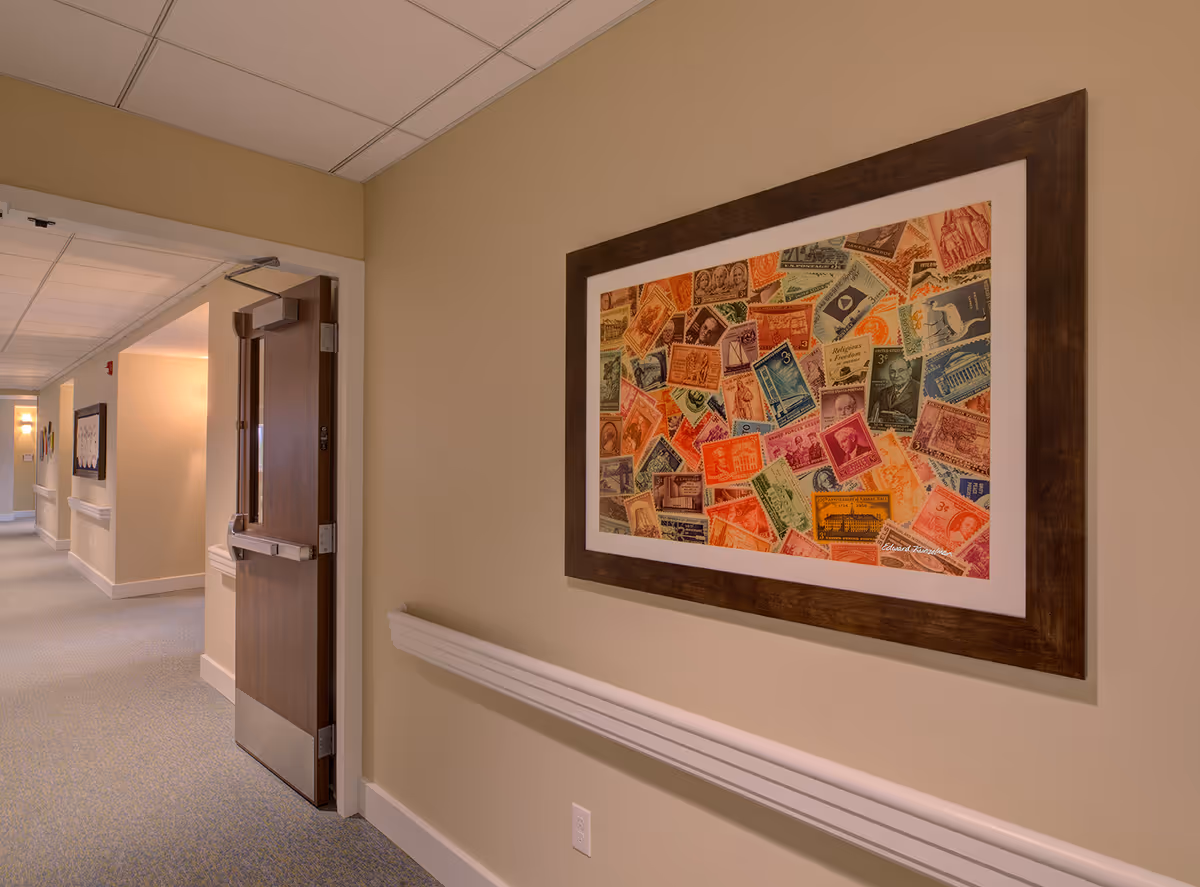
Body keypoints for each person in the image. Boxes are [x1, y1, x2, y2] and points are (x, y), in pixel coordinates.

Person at [870, 355, 919, 424]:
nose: (896, 376)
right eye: (892, 372)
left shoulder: (919, 390)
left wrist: (910, 423)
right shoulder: (883, 393)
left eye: (901, 371)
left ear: (909, 371)